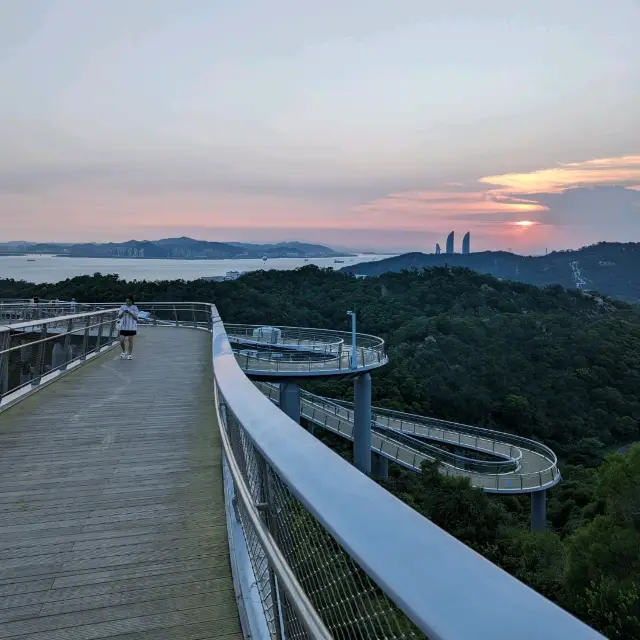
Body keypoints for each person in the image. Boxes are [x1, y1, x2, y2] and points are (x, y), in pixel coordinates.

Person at [118, 295, 139, 360]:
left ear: (131, 301)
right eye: (126, 301)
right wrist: (123, 312)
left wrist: (130, 313)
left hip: (131, 327)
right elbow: (119, 316)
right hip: (123, 326)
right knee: (121, 340)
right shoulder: (122, 307)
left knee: (130, 340)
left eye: (129, 301)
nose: (127, 303)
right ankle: (124, 351)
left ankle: (129, 354)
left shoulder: (135, 307)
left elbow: (136, 318)